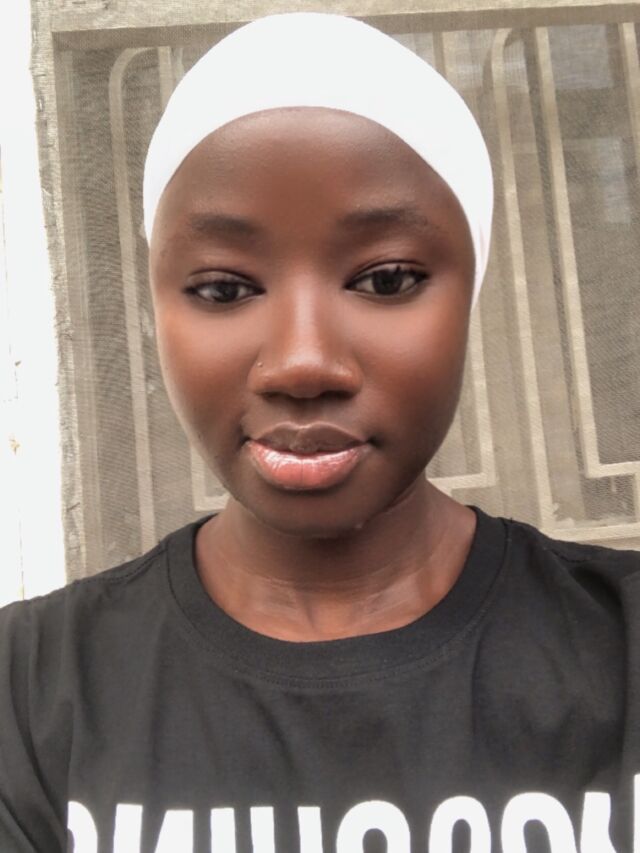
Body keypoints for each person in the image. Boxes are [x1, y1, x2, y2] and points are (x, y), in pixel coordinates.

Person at [1, 11, 639, 853]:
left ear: (471, 291)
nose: (302, 363)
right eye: (225, 290)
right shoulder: (28, 697)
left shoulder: (622, 653)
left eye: (385, 279)